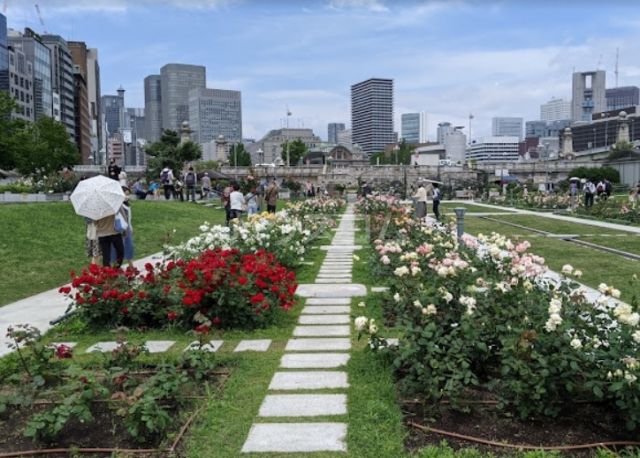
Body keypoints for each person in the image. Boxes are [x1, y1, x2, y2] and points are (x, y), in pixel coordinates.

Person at [111, 189, 135, 268]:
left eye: (128, 194)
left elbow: (129, 218)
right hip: (119, 229)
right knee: (117, 248)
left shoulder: (128, 204)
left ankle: (131, 265)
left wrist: (130, 226)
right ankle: (116, 266)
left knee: (129, 247)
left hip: (127, 229)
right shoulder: (117, 204)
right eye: (125, 194)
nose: (127, 196)